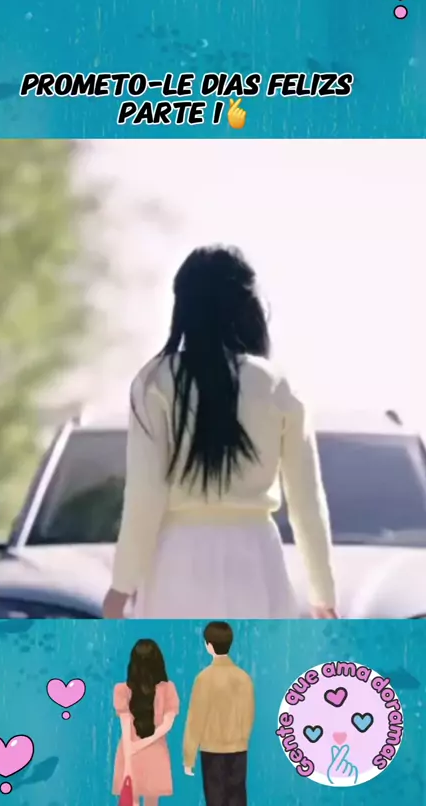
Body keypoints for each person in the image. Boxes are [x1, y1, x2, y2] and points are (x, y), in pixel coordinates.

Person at [103, 244, 338, 619]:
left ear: (183, 306)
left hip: (176, 563)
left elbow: (145, 495)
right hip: (257, 560)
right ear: (247, 306)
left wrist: (122, 585)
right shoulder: (276, 385)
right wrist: (323, 592)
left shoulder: (154, 382)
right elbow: (306, 501)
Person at [183, 621, 254, 806]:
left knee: (215, 798)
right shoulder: (244, 678)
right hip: (238, 749)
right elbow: (249, 715)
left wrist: (189, 756)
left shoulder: (204, 679)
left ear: (208, 646)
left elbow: (195, 720)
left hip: (212, 749)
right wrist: (242, 738)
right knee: (237, 797)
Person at [112, 639, 179, 806]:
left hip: (130, 750)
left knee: (132, 799)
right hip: (155, 750)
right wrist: (141, 745)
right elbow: (166, 725)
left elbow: (126, 729)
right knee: (152, 800)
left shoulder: (122, 690)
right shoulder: (168, 688)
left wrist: (130, 758)